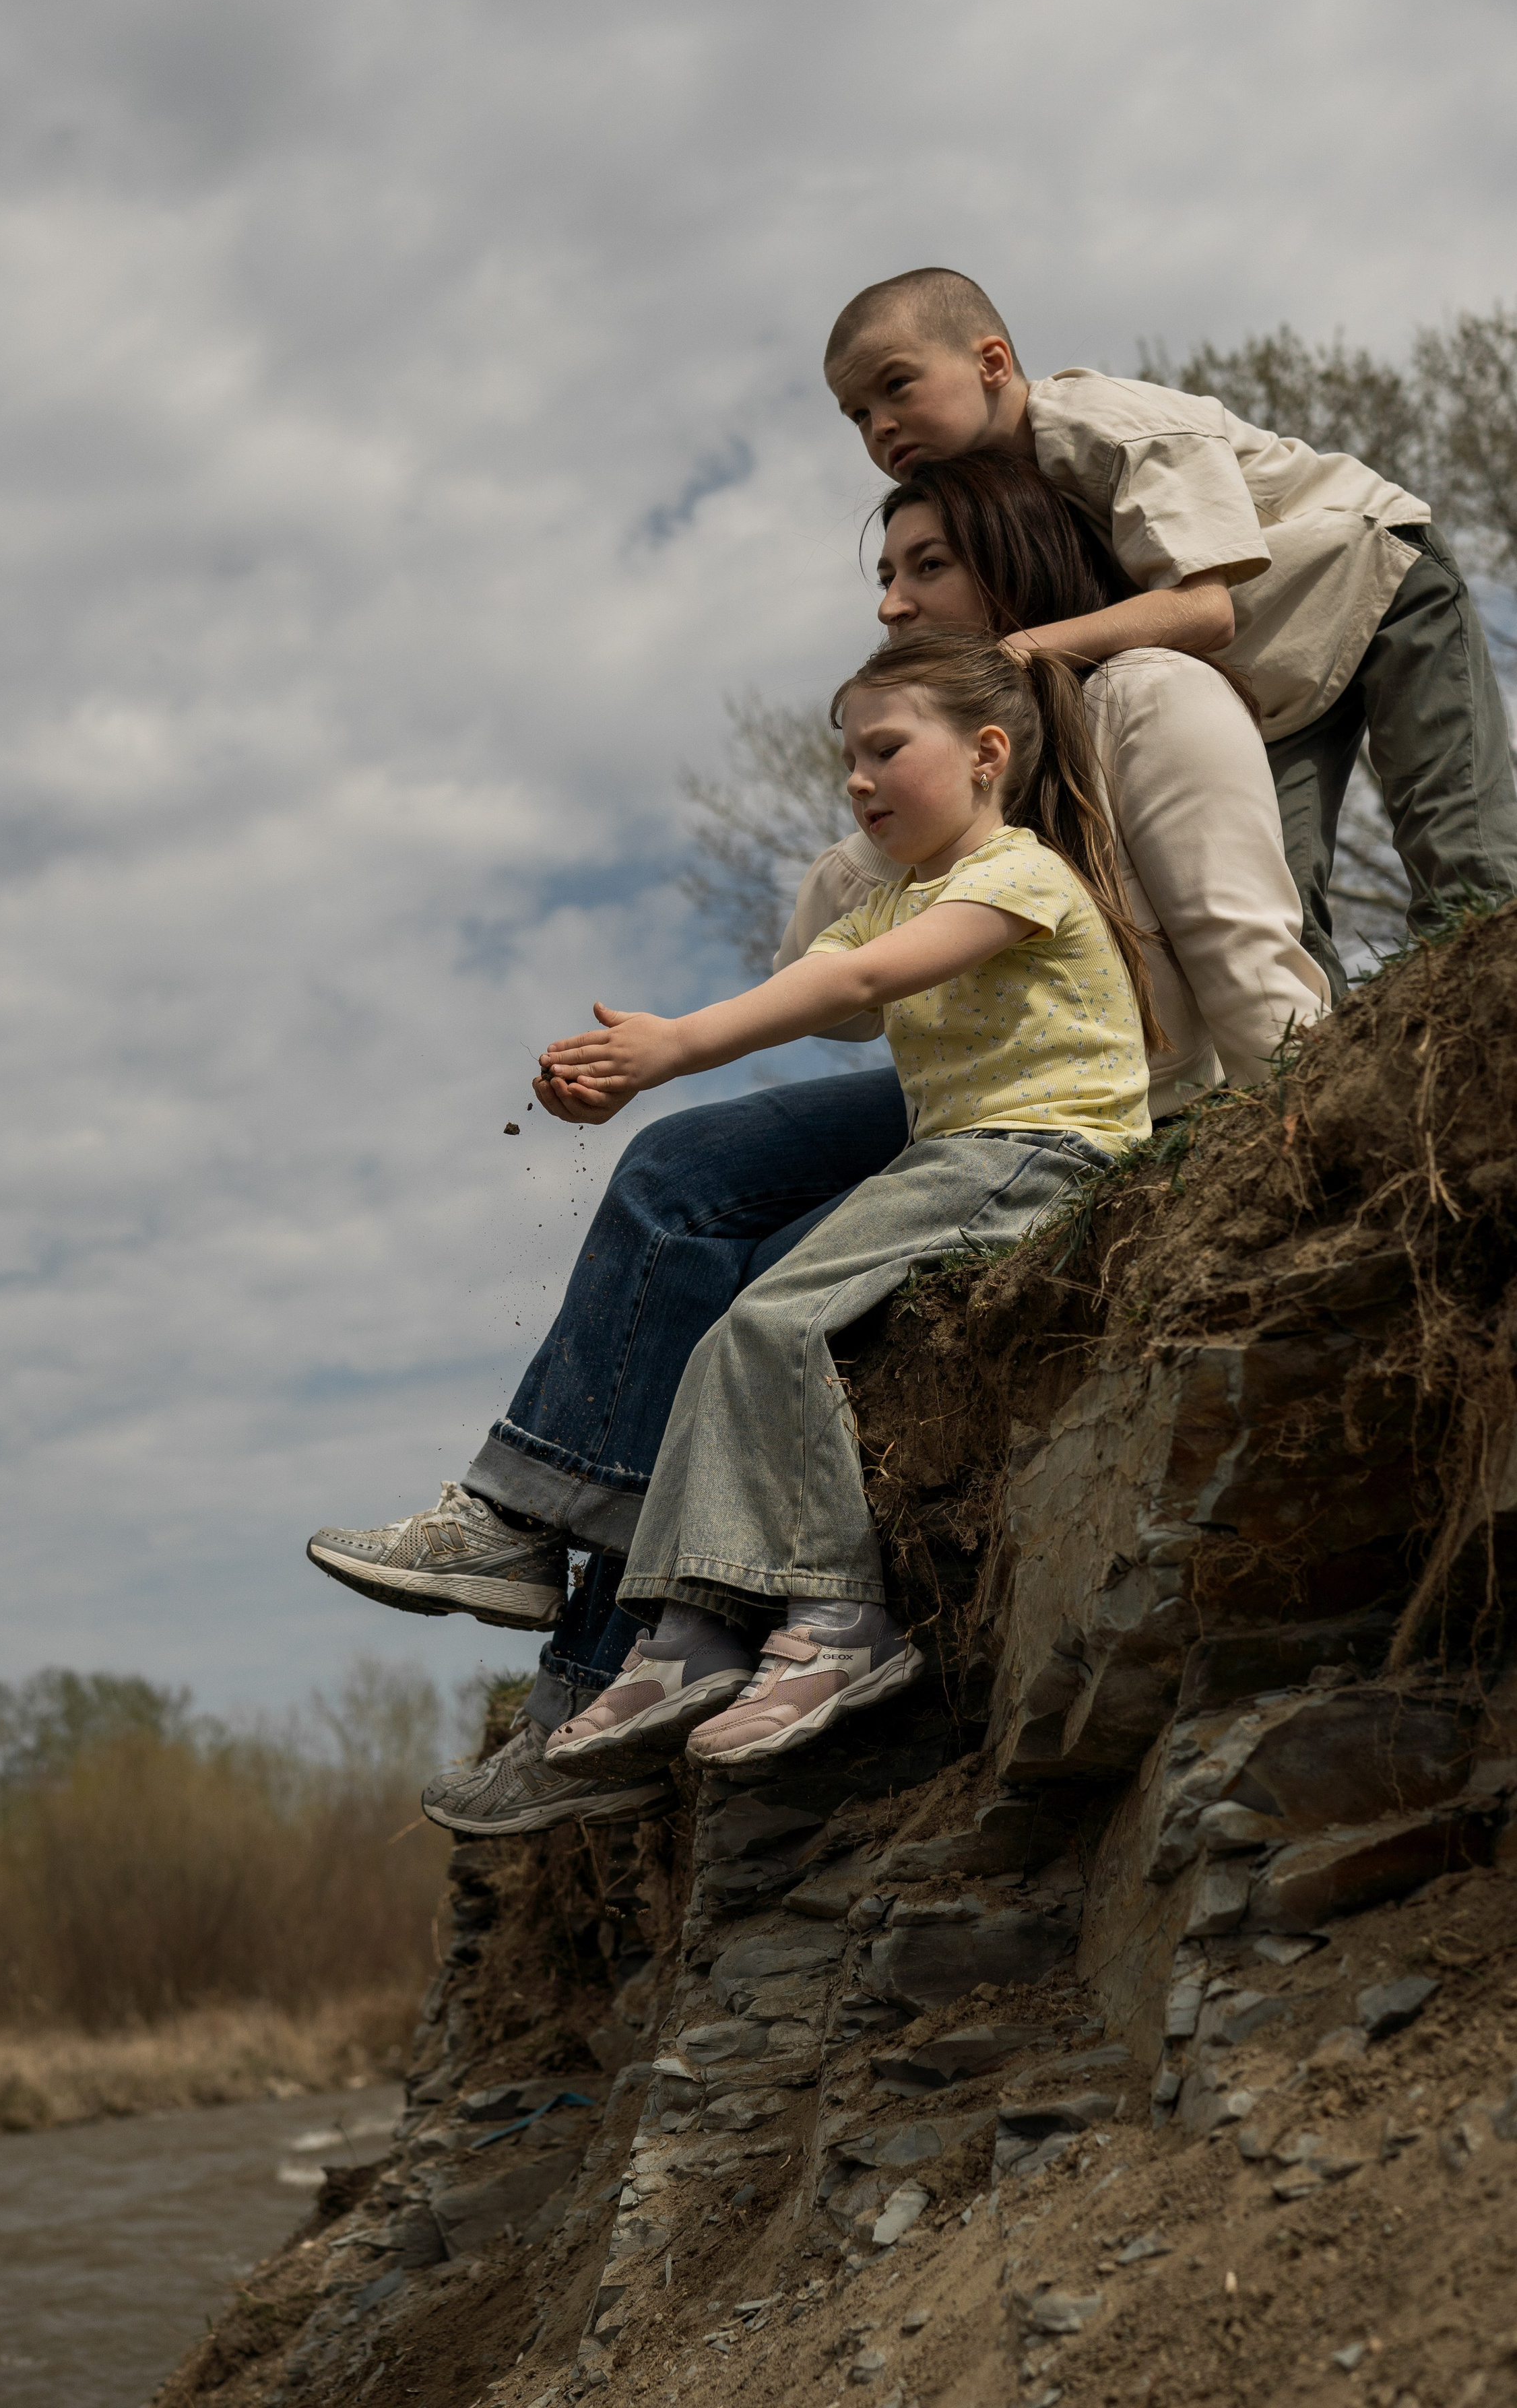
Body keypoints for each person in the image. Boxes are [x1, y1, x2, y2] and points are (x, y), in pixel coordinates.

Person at [309, 457, 1324, 1836]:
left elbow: (891, 984)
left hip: (1073, 1125)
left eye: (927, 570)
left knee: (760, 1315)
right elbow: (827, 979)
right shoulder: (908, 860)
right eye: (882, 578)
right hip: (950, 1127)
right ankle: (553, 1560)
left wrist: (1297, 1135)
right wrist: (638, 1052)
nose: (896, 602)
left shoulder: (1116, 737)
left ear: (991, 725)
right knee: (677, 1193)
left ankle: (757, 1633)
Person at [534, 628, 1151, 1778]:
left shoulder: (1017, 871)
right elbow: (819, 985)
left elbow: (860, 983)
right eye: (846, 761)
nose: (858, 779)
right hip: (960, 1158)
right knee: (733, 1332)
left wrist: (676, 1049)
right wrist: (610, 1068)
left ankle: (834, 1623)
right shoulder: (889, 900)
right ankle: (689, 1634)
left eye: (884, 749)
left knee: (776, 1324)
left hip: (1047, 1147)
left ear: (986, 753)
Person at [824, 266, 1517, 1000]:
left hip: (1376, 586)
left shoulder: (1116, 430)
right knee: (1266, 900)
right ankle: (1310, 1085)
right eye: (857, 415)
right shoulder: (1008, 505)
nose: (881, 427)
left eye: (896, 386)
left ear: (991, 363)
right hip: (1258, 674)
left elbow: (1202, 609)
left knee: (1459, 855)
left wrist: (1023, 650)